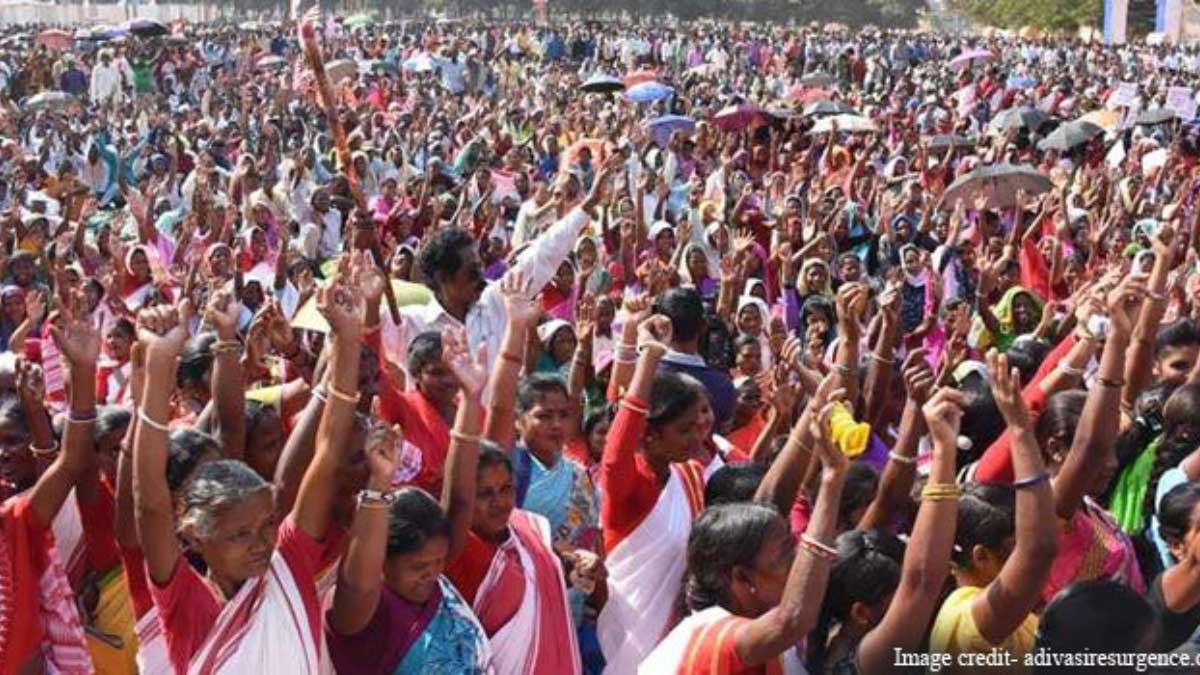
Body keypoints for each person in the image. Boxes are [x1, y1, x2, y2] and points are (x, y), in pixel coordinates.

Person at [326, 324, 493, 674]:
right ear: (381, 563)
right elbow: (359, 579)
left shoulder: (438, 588)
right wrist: (380, 481)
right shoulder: (363, 615)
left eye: (438, 563)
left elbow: (461, 501)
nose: (431, 574)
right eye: (419, 567)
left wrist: (470, 399)